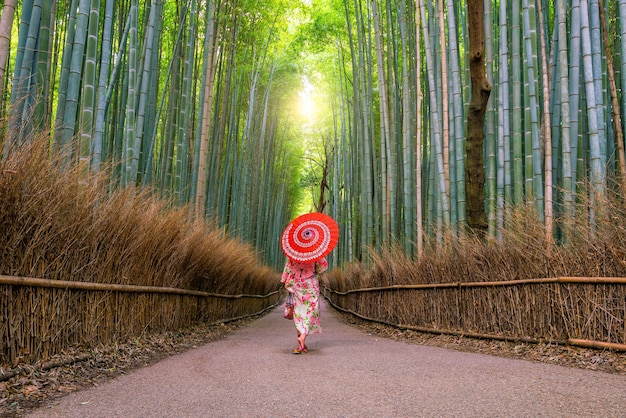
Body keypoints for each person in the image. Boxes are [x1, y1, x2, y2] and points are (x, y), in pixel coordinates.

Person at [281, 256, 328, 354]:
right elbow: (322, 266)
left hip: (297, 283)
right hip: (310, 283)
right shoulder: (314, 251)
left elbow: (288, 268)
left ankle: (301, 346)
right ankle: (303, 336)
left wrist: (284, 280)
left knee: (298, 311)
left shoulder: (293, 252)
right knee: (311, 309)